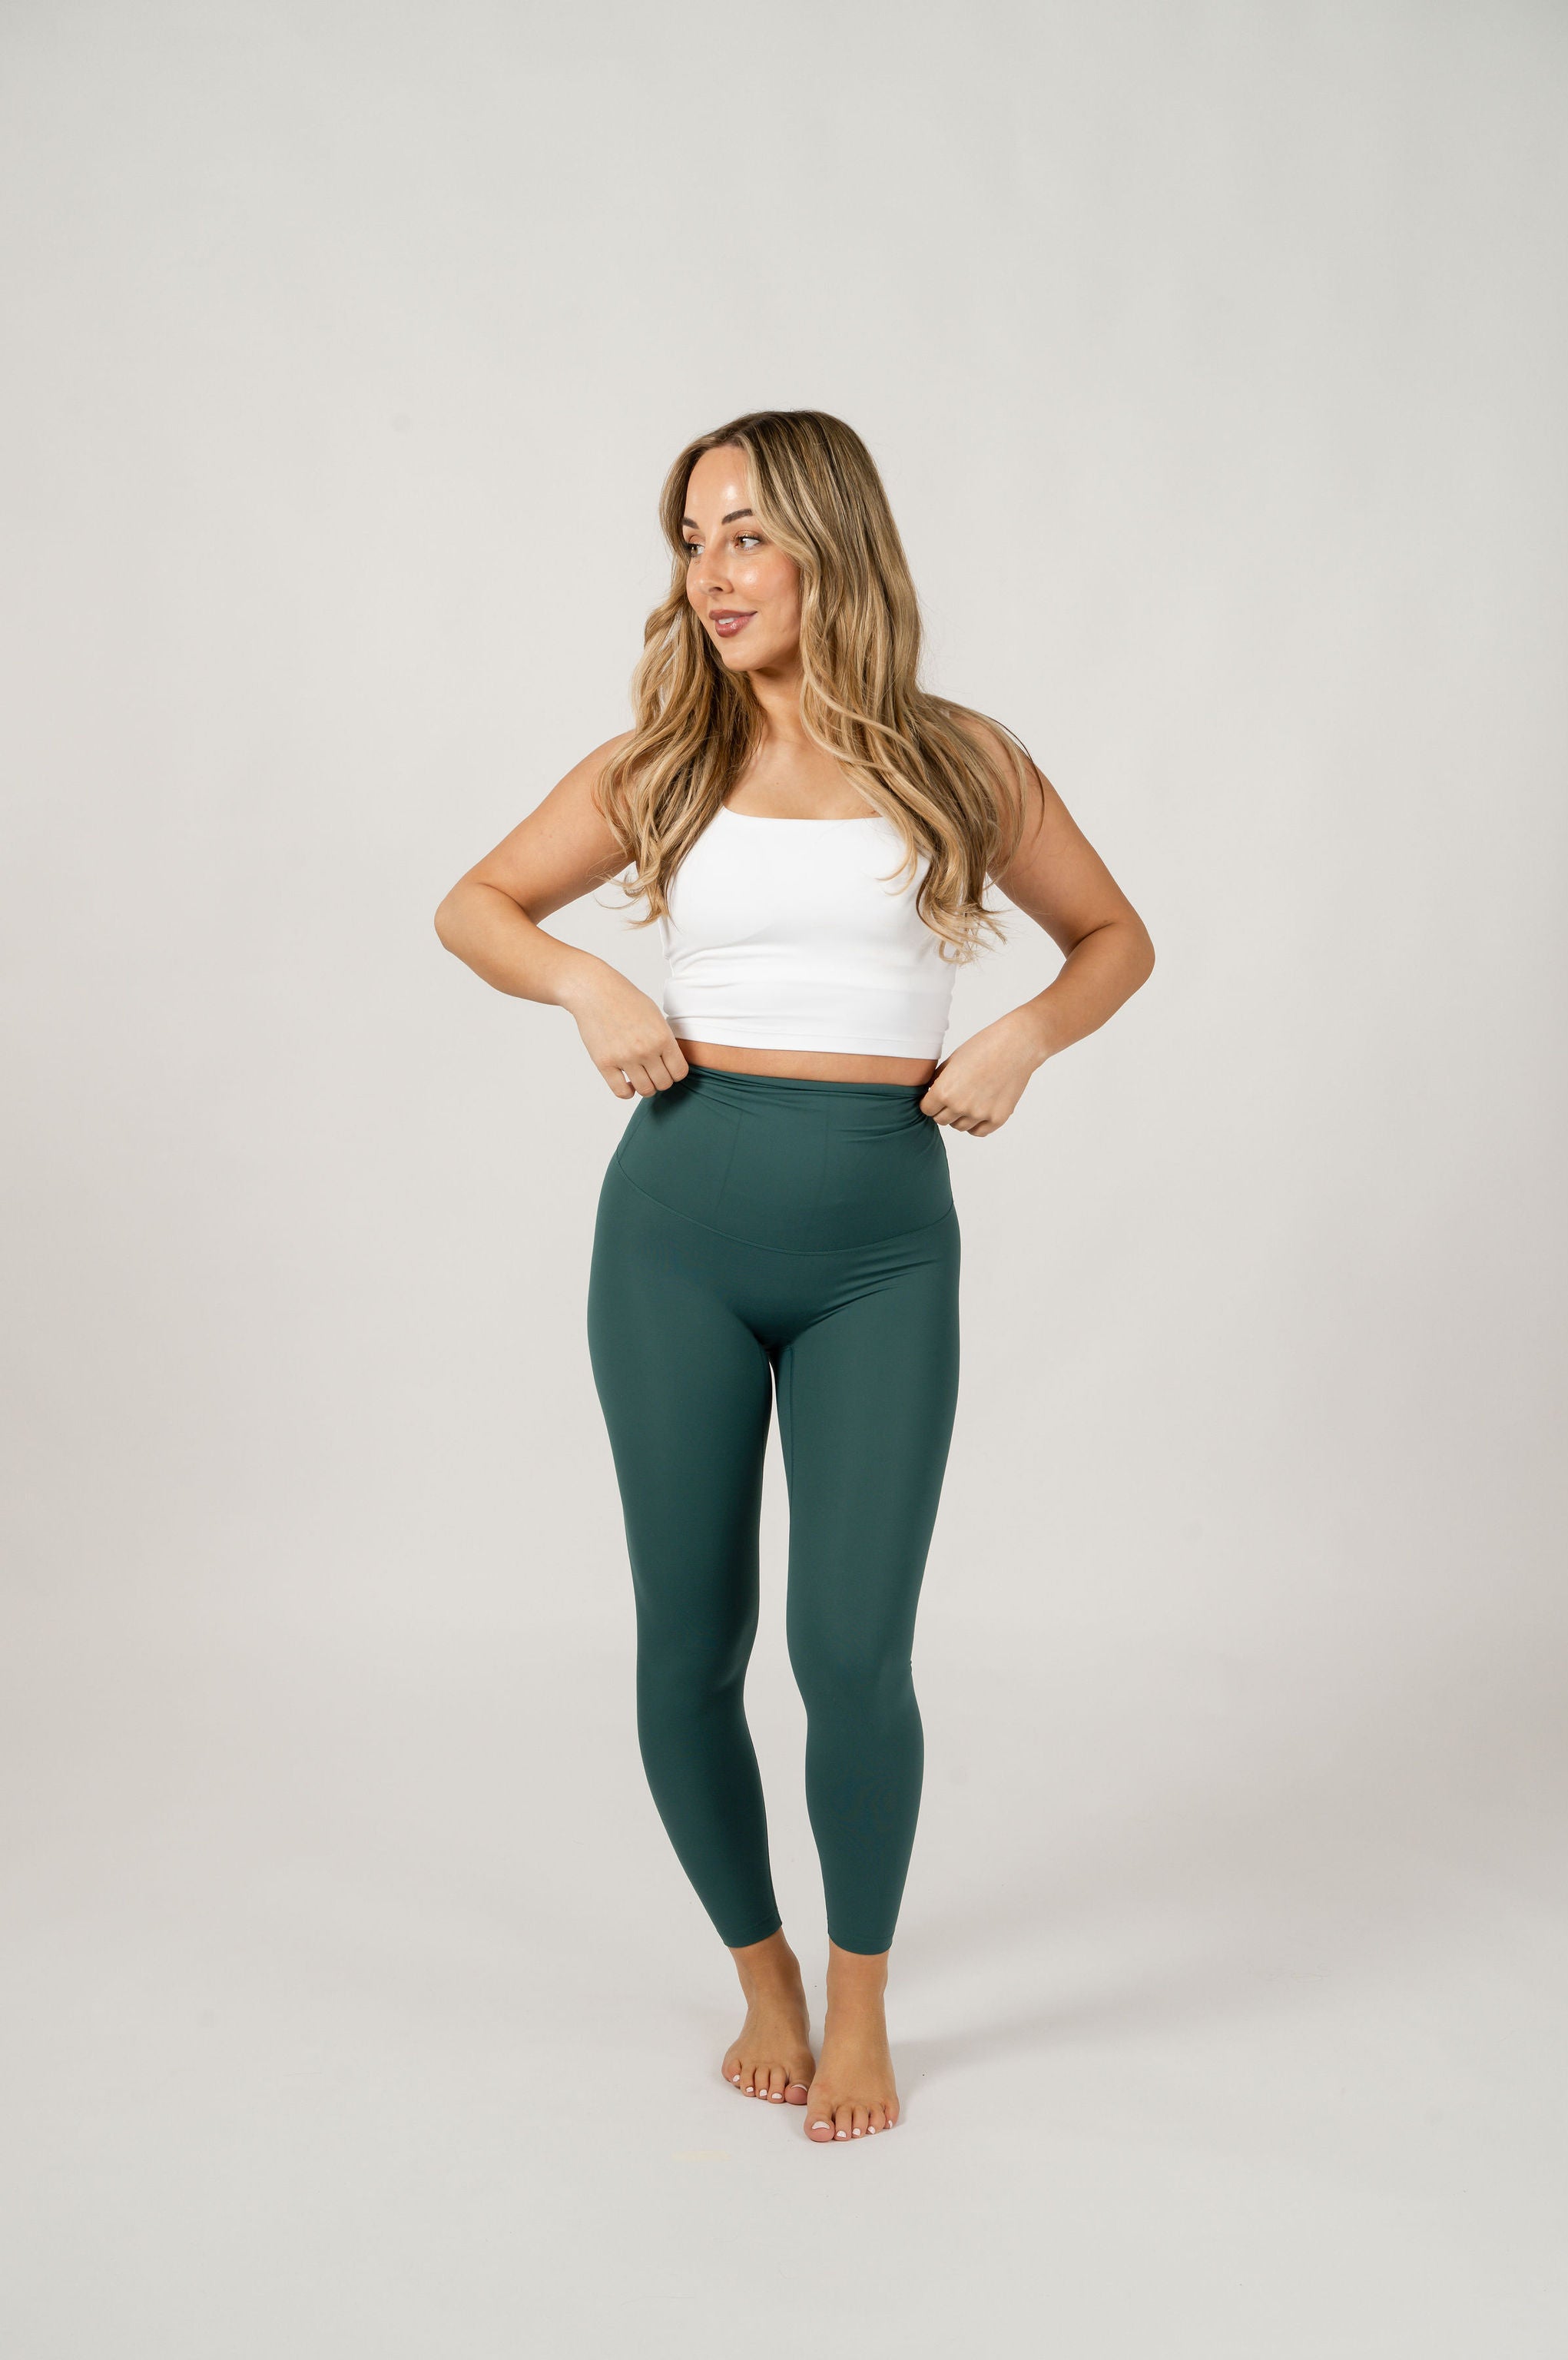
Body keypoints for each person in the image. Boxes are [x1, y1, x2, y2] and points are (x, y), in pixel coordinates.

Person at [434, 409, 1155, 2145]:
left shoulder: (959, 759)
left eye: (747, 533)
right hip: (672, 1242)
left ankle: (859, 1997)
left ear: (834, 543)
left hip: (881, 1254)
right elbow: (475, 905)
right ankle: (760, 1973)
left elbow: (1116, 937)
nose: (713, 572)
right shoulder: (662, 764)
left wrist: (1024, 1038)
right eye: (693, 540)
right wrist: (591, 986)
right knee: (691, 1646)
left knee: (850, 1651)